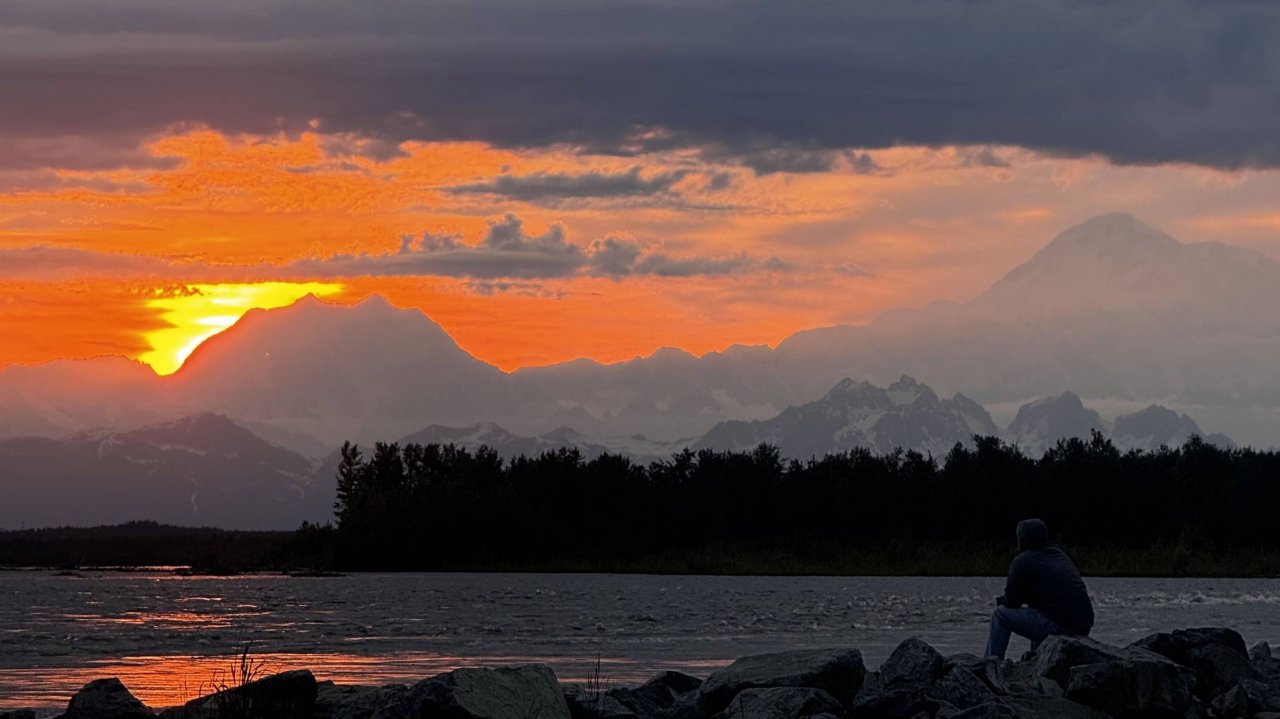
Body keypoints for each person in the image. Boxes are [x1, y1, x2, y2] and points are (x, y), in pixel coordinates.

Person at [984, 518, 1094, 659]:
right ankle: (1037, 656)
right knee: (1040, 607)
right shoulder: (1059, 555)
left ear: (1021, 540)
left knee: (1000, 615)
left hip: (1061, 628)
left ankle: (990, 663)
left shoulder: (1022, 561)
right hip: (1083, 627)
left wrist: (1002, 601)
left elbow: (1012, 603)